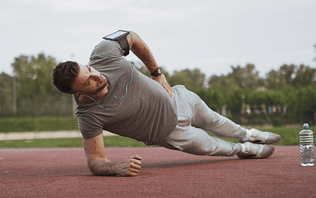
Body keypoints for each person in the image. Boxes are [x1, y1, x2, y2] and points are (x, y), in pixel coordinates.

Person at [52, 30, 281, 177]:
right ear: (77, 92)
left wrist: (156, 72)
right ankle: (244, 149)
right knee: (213, 147)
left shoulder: (102, 55)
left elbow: (131, 36)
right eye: (88, 82)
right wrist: (113, 167)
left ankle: (248, 134)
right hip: (170, 132)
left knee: (216, 120)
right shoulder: (89, 116)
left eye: (89, 70)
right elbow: (95, 160)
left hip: (178, 98)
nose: (97, 76)